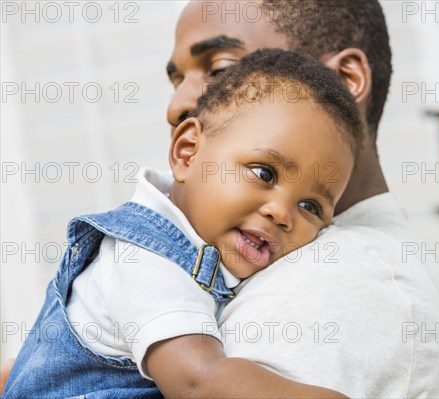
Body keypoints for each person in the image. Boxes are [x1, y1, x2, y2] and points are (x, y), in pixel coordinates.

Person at [2, 0, 439, 397]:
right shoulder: (157, 253)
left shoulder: (343, 275)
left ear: (346, 81)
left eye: (223, 69)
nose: (177, 105)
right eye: (178, 79)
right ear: (186, 149)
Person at [2, 49, 362, 398]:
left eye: (310, 206)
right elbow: (198, 383)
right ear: (188, 152)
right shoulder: (144, 261)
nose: (283, 214)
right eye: (263, 172)